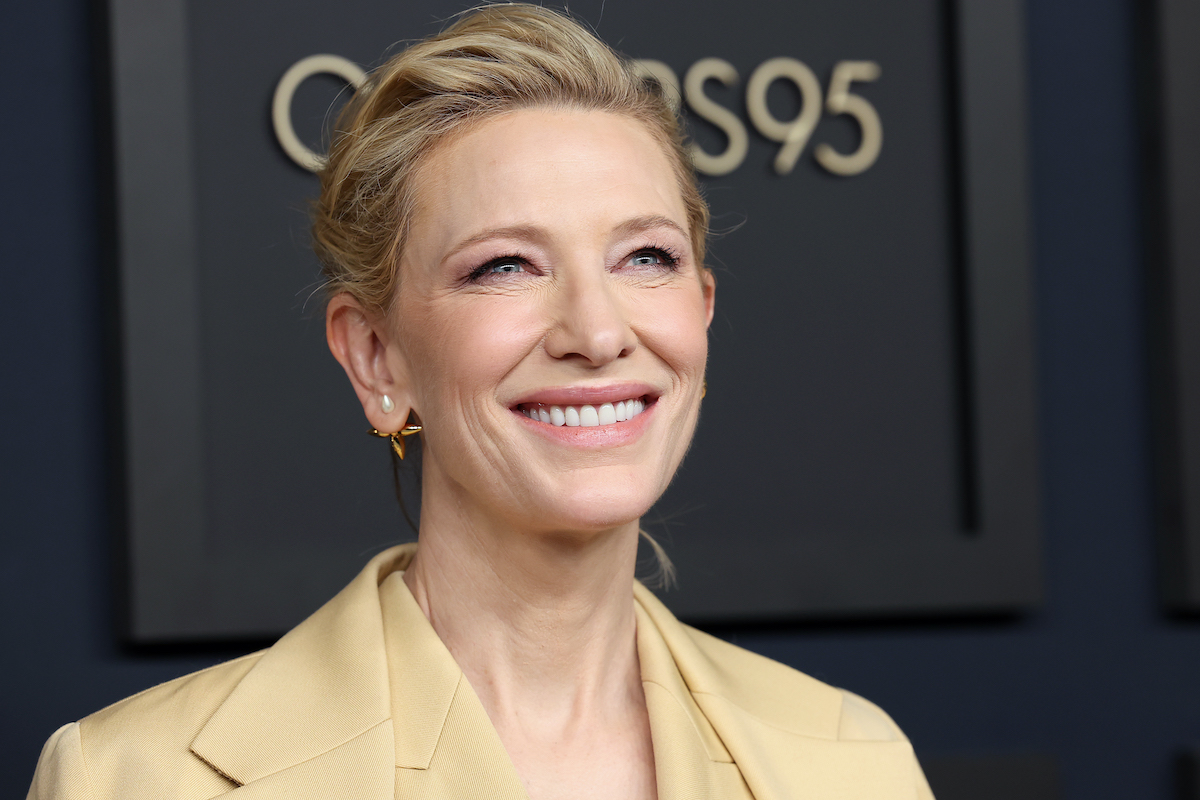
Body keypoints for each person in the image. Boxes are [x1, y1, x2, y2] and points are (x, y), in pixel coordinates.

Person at [28, 5, 934, 799]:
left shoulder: (854, 763)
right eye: (506, 266)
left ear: (700, 312)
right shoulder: (132, 780)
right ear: (375, 356)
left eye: (644, 257)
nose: (597, 331)